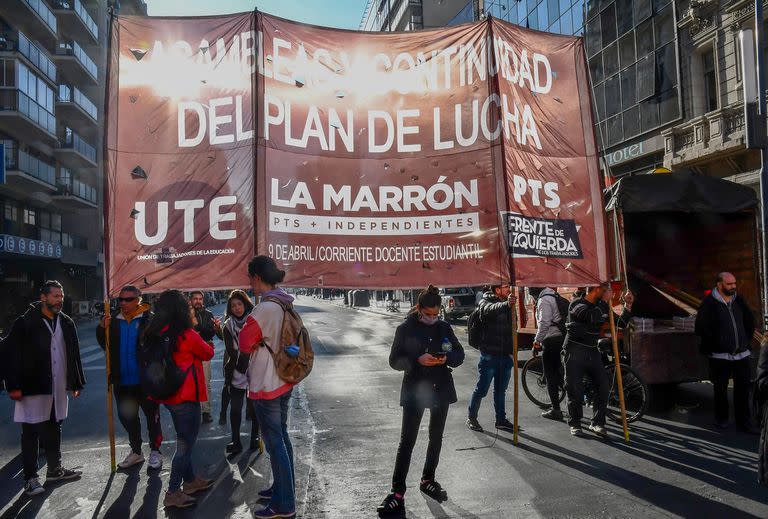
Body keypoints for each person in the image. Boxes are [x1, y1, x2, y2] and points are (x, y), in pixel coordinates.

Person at [378, 285, 465, 516]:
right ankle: (397, 492)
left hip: (440, 389)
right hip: (415, 389)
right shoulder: (405, 328)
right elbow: (394, 360)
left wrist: (446, 358)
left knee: (435, 437)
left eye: (436, 314)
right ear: (418, 309)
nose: (432, 319)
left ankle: (428, 478)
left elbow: (459, 355)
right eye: (428, 314)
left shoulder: (444, 327)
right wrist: (417, 360)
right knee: (407, 441)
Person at [5, 280, 85, 496]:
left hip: (57, 386)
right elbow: (9, 355)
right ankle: (30, 478)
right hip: (32, 386)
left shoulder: (66, 322)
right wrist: (12, 385)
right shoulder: (25, 322)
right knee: (31, 432)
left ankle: (54, 470)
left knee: (54, 427)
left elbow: (73, 354)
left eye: (61, 296)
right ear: (43, 297)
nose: (60, 300)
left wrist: (76, 382)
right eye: (55, 296)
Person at [239, 255, 300, 519]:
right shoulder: (285, 302)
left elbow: (243, 343)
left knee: (274, 441)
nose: (249, 283)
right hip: (284, 378)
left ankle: (284, 504)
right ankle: (283, 489)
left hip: (267, 381)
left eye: (250, 277)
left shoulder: (264, 309)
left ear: (258, 277)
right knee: (282, 438)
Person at [147, 290, 215, 509]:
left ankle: (191, 481)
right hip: (187, 396)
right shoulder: (187, 334)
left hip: (169, 395)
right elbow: (208, 353)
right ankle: (173, 491)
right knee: (185, 445)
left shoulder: (156, 331)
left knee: (183, 438)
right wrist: (197, 328)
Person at [97, 285, 163, 470]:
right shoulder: (113, 320)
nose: (123, 303)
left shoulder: (149, 319)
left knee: (152, 417)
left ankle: (155, 451)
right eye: (121, 300)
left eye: (128, 299)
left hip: (145, 382)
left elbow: (159, 348)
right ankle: (136, 451)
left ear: (138, 300)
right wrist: (102, 329)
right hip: (122, 381)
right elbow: (105, 344)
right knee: (128, 418)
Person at [563, 283, 633, 438]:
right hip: (575, 350)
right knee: (574, 389)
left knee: (603, 386)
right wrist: (604, 303)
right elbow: (591, 317)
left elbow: (620, 323)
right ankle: (575, 423)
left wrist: (627, 305)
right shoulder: (577, 304)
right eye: (608, 291)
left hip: (592, 350)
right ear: (597, 290)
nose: (611, 294)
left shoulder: (602, 306)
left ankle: (597, 423)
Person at [695, 272, 757, 432]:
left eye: (734, 283)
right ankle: (721, 420)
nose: (733, 287)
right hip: (719, 356)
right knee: (720, 390)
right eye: (729, 284)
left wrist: (744, 341)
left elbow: (749, 321)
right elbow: (700, 328)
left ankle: (744, 422)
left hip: (741, 355)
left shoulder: (739, 301)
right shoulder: (709, 303)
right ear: (719, 285)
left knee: (743, 390)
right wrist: (717, 344)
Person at [466, 285, 516, 433]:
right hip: (489, 356)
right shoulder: (485, 302)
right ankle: (472, 417)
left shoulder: (508, 304)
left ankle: (501, 420)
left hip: (505, 356)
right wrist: (506, 304)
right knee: (482, 389)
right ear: (497, 290)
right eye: (506, 287)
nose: (509, 289)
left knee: (501, 391)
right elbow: (489, 310)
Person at [222, 289, 260, 454]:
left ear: (245, 304)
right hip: (237, 369)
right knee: (236, 409)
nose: (237, 308)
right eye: (233, 305)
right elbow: (231, 351)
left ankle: (255, 437)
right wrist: (241, 363)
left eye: (239, 304)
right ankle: (235, 441)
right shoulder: (228, 325)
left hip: (256, 368)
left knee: (254, 409)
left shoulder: (254, 320)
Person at [531, 287, 566, 420]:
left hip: (551, 340)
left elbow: (544, 323)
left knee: (550, 375)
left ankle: (556, 410)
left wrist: (537, 342)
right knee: (559, 370)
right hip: (562, 337)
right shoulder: (555, 296)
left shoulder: (543, 300)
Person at [189, 290, 223, 424]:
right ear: (190, 300)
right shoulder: (185, 315)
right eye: (195, 298)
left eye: (200, 299)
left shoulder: (208, 314)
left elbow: (213, 335)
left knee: (205, 383)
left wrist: (216, 328)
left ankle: (206, 411)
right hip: (189, 355)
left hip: (203, 354)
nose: (198, 301)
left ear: (203, 300)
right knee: (191, 384)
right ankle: (193, 412)